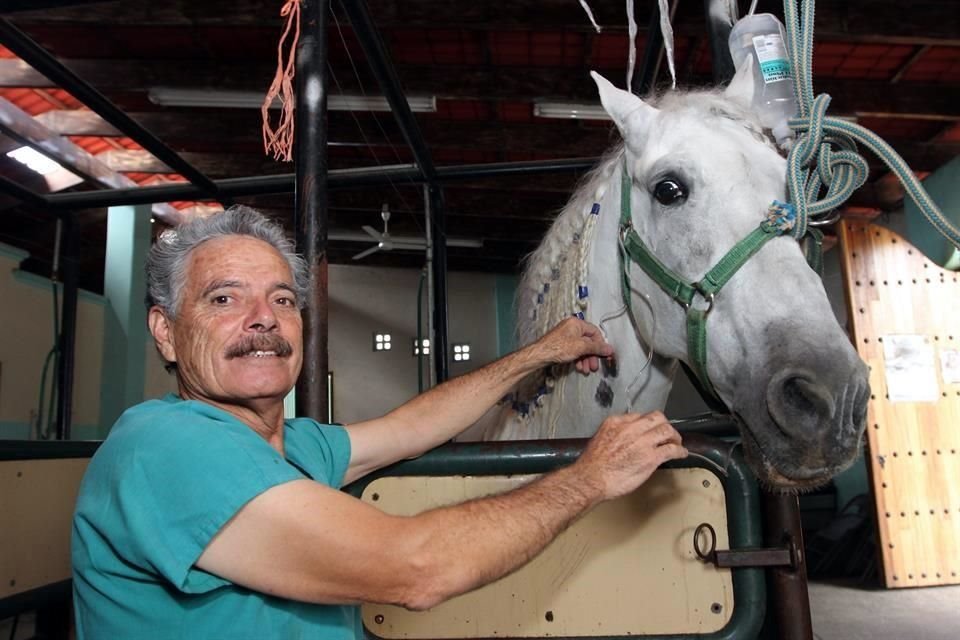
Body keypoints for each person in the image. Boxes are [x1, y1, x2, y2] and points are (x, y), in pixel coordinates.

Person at [71, 205, 687, 640]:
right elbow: (416, 568)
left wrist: (539, 354)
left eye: (283, 299)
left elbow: (412, 425)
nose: (264, 318)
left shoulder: (291, 445)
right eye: (224, 299)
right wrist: (590, 477)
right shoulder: (165, 446)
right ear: (165, 332)